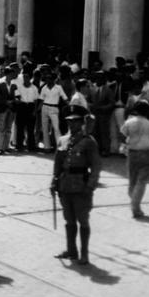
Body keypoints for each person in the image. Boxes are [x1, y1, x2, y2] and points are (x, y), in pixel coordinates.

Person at [51, 105, 102, 264]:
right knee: (69, 220)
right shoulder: (63, 140)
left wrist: (91, 185)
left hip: (81, 185)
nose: (71, 124)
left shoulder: (88, 141)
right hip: (65, 185)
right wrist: (54, 180)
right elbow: (58, 162)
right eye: (69, 121)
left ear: (81, 123)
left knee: (83, 220)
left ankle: (84, 253)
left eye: (75, 121)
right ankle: (71, 250)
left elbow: (96, 165)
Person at [120, 99, 149, 219]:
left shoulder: (129, 122)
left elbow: (122, 135)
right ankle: (135, 206)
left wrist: (124, 146)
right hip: (147, 153)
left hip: (132, 154)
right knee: (141, 181)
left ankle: (134, 204)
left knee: (132, 180)